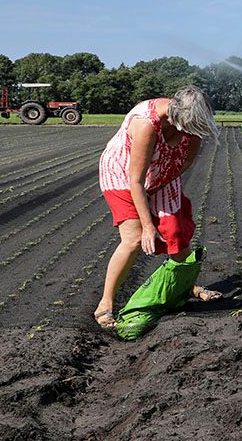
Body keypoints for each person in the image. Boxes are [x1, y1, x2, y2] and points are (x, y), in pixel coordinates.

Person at [94, 86, 222, 328]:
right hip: (124, 175)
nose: (193, 133)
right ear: (175, 114)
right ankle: (105, 303)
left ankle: (188, 287)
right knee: (133, 239)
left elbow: (185, 163)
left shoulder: (193, 125)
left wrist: (162, 181)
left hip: (163, 171)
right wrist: (148, 225)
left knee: (175, 233)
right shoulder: (146, 124)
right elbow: (136, 181)